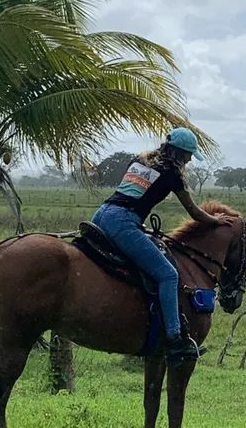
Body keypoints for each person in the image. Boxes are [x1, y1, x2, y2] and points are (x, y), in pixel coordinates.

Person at [91, 128, 228, 366]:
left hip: (102, 214)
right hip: (123, 222)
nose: (188, 160)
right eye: (187, 155)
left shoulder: (140, 160)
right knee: (168, 274)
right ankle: (175, 338)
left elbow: (131, 196)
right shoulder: (172, 172)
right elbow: (194, 212)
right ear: (179, 152)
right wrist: (217, 221)